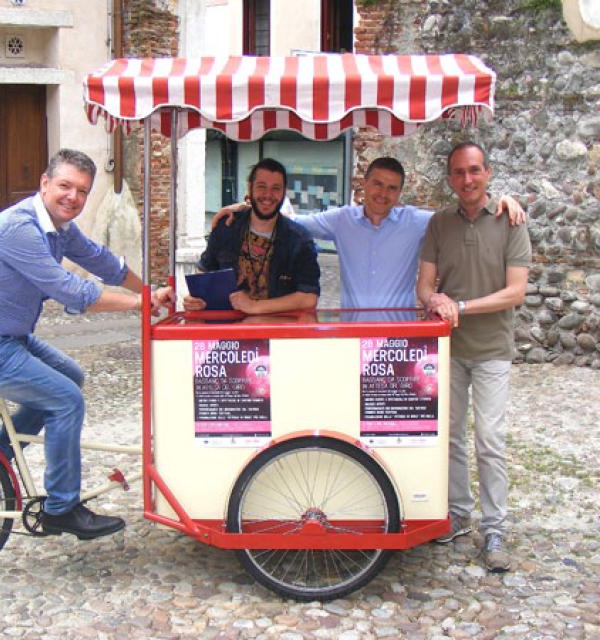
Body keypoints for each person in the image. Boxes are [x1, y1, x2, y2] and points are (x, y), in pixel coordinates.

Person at [0, 148, 173, 540]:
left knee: (70, 375)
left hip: (5, 338)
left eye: (82, 191)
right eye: (65, 186)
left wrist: (151, 290)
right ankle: (62, 508)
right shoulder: (19, 228)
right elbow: (71, 290)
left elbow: (103, 262)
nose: (73, 197)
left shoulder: (60, 228)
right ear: (45, 184)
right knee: (65, 399)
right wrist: (139, 304)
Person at [417, 142, 531, 573]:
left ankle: (495, 526)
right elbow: (424, 286)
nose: (468, 179)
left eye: (475, 171)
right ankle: (460, 513)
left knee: (490, 440)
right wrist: (436, 300)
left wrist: (460, 307)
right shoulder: (439, 223)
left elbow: (516, 292)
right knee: (449, 435)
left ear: (487, 173)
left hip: (492, 351)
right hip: (449, 347)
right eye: (459, 172)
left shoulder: (510, 220)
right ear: (450, 178)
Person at [213, 157, 525, 309]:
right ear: (365, 184)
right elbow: (288, 220)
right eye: (377, 184)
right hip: (352, 335)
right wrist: (246, 206)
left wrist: (500, 200)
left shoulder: (417, 221)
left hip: (400, 339)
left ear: (400, 193)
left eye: (392, 188)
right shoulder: (341, 220)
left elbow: (460, 216)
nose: (382, 193)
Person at [184, 158, 321, 314]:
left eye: (276, 188)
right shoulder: (227, 227)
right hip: (228, 330)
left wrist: (254, 306)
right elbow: (205, 271)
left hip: (277, 331)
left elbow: (309, 297)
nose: (268, 195)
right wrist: (195, 299)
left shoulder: (299, 240)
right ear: (250, 188)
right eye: (261, 187)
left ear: (284, 192)